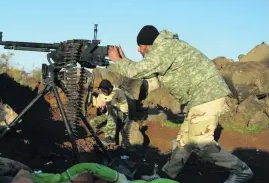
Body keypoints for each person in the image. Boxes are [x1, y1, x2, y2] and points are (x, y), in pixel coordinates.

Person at [107, 25, 253, 183]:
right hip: (201, 97)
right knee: (184, 141)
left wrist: (116, 60)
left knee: (200, 143)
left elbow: (140, 71)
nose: (138, 50)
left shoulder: (164, 49)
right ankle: (166, 176)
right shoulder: (164, 47)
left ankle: (241, 170)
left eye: (140, 46)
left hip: (207, 96)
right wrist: (123, 60)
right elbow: (145, 68)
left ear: (148, 45)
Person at [90, 79, 133, 146]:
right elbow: (98, 105)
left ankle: (110, 138)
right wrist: (102, 107)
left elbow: (124, 106)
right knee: (93, 122)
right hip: (107, 114)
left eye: (104, 90)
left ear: (109, 89)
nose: (103, 92)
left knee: (111, 111)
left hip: (121, 114)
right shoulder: (101, 94)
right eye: (102, 90)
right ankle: (93, 137)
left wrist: (108, 104)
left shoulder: (118, 92)